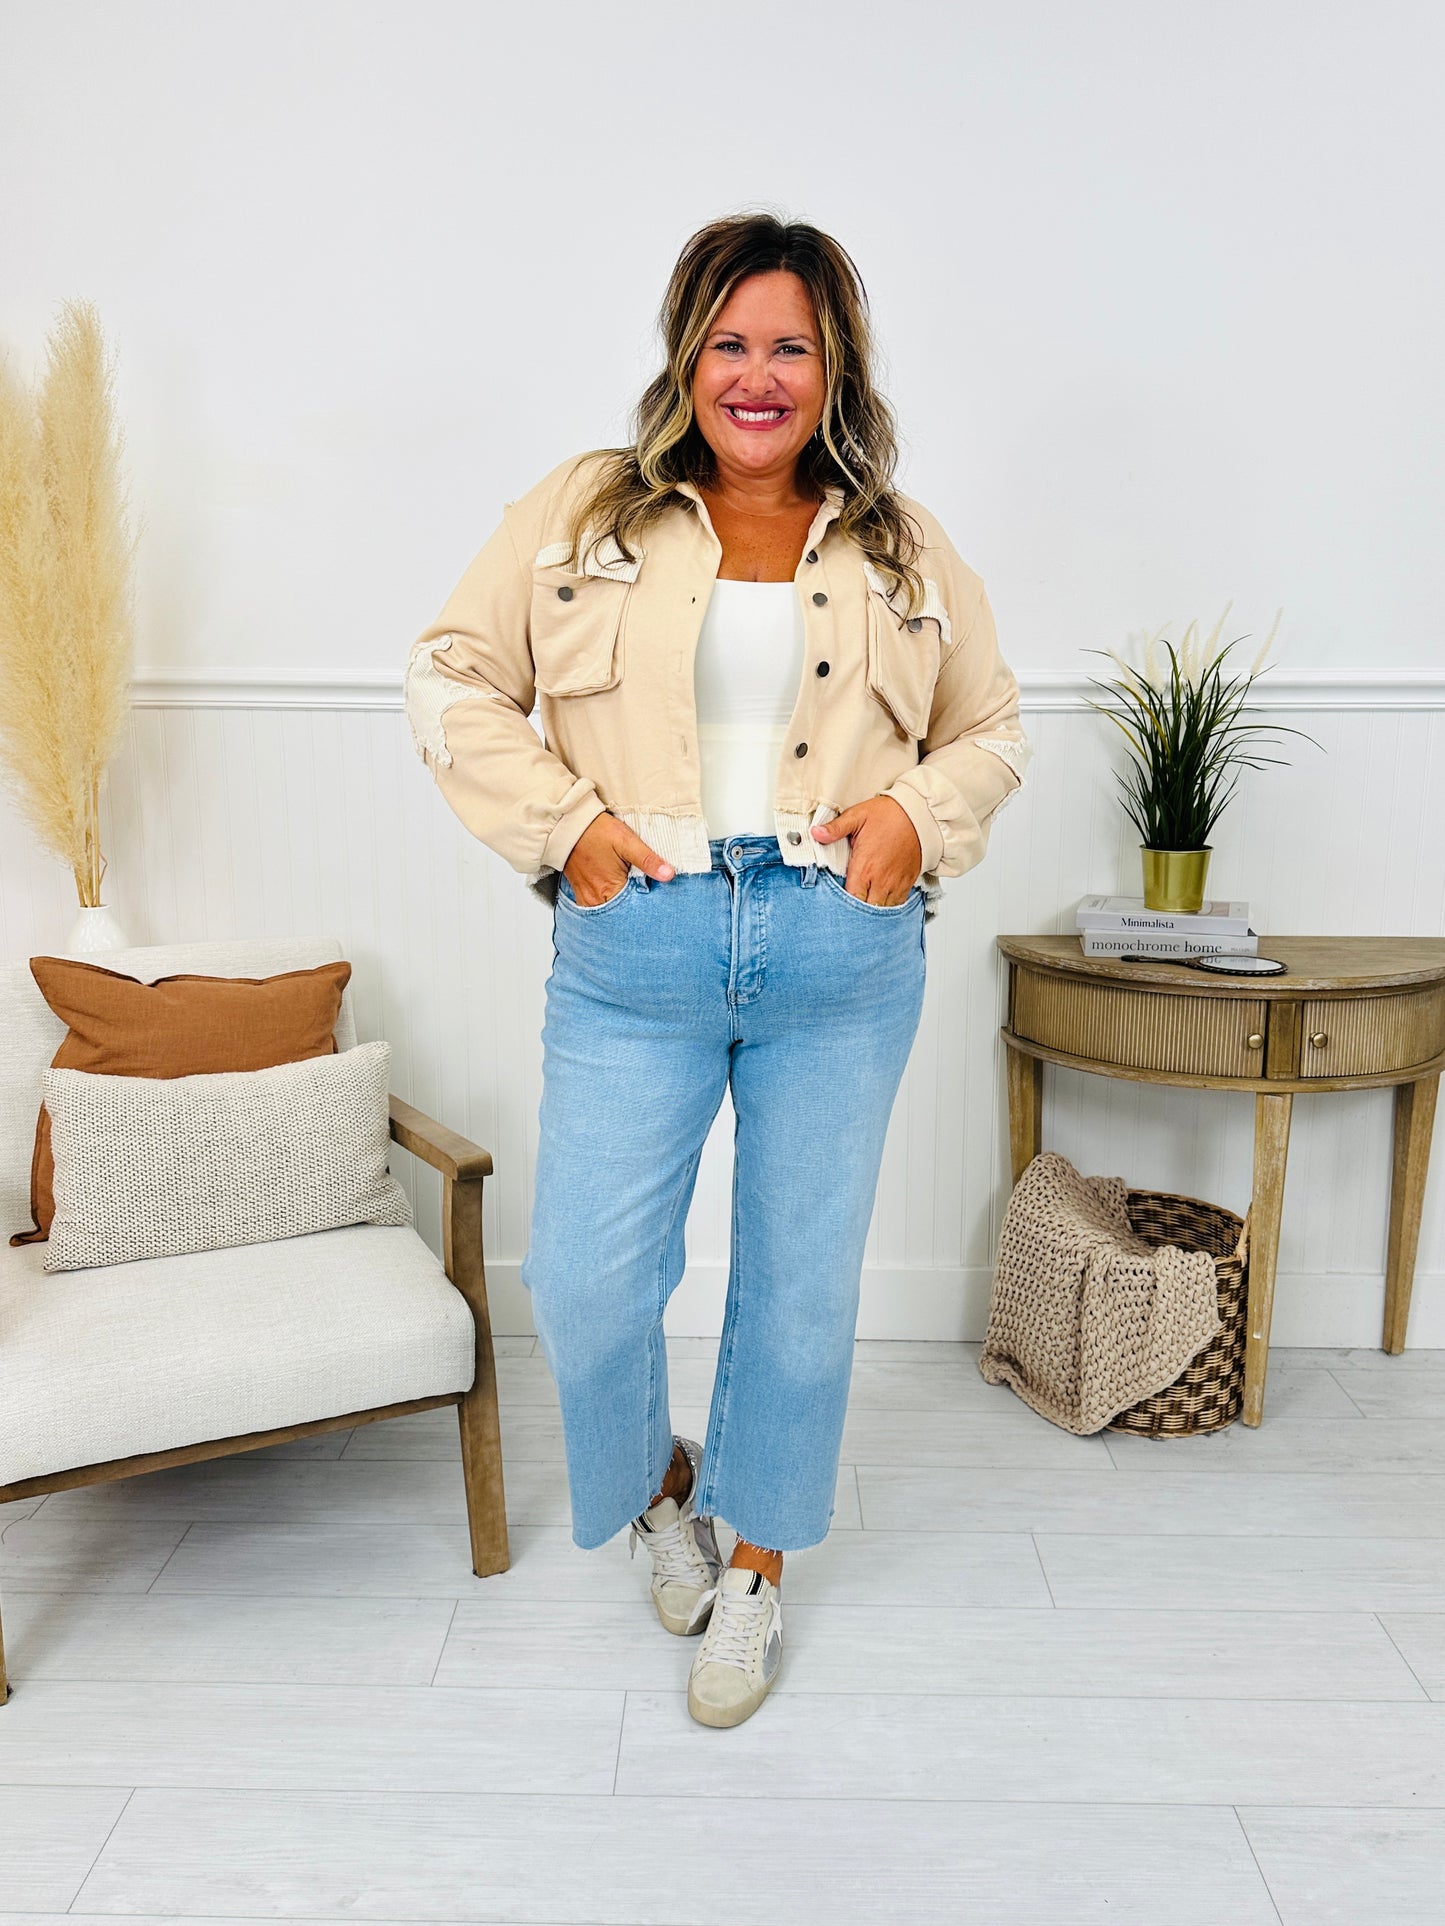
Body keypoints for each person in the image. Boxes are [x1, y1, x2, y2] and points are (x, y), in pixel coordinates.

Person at [405, 212, 1030, 1728]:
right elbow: (450, 674)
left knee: (800, 1293)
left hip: (838, 950)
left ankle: (756, 1561)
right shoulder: (582, 512)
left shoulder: (900, 543)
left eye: (790, 346)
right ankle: (663, 1489)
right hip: (639, 945)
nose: (758, 375)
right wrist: (568, 826)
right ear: (686, 356)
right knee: (585, 1283)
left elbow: (993, 728)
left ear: (836, 368)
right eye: (729, 342)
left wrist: (915, 815)